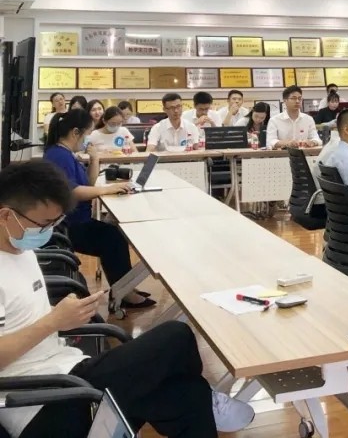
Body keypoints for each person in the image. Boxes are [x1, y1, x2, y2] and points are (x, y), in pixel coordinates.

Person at [0, 160, 254, 437]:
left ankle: (204, 395)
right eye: (44, 224)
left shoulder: (20, 250)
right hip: (39, 403)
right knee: (175, 336)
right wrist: (53, 321)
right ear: (6, 216)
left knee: (189, 398)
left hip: (66, 373)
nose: (48, 231)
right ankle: (209, 396)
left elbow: (18, 316)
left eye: (56, 222)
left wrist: (64, 313)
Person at [41, 110, 152, 309]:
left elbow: (88, 184)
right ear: (75, 132)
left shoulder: (65, 153)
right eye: (86, 134)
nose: (88, 140)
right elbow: (73, 192)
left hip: (75, 220)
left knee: (113, 234)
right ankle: (124, 293)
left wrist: (94, 160)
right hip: (68, 226)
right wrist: (108, 189)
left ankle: (124, 289)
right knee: (112, 237)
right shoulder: (59, 156)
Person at [267, 85, 321, 150]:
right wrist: (286, 143)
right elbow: (270, 141)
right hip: (282, 154)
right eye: (293, 98)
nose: (297, 101)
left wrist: (312, 142)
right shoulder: (274, 120)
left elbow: (317, 139)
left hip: (304, 153)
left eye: (299, 98)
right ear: (285, 101)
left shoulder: (308, 119)